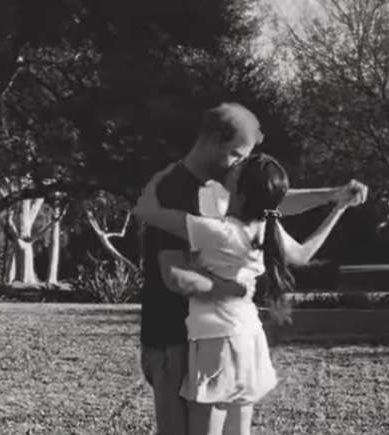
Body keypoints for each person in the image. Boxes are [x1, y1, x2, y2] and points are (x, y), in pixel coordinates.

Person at [137, 102, 367, 435]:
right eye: (237, 155)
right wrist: (334, 201)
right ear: (214, 139)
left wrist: (332, 196)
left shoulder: (222, 200)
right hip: (179, 336)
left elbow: (265, 196)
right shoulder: (180, 190)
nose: (238, 165)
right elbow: (265, 198)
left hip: (210, 337)